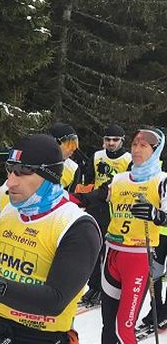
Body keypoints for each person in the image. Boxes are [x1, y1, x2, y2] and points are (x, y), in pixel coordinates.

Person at [0, 134, 102, 343]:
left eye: (24, 172)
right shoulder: (11, 212)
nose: (10, 182)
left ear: (49, 176)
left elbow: (54, 300)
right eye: (10, 170)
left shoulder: (76, 225)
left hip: (41, 337)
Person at [76, 127, 167, 343]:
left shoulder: (162, 180)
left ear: (156, 150)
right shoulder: (120, 179)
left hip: (138, 259)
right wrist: (67, 199)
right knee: (108, 328)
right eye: (134, 144)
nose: (136, 149)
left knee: (123, 329)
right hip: (112, 256)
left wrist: (157, 215)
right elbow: (94, 197)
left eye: (143, 145)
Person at [80, 124, 132, 306]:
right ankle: (94, 286)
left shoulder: (128, 159)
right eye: (108, 139)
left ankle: (107, 288)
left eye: (115, 140)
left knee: (110, 250)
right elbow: (90, 180)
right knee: (93, 247)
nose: (111, 143)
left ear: (122, 140)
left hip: (116, 209)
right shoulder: (97, 156)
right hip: (96, 206)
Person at [50, 122, 81, 192]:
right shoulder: (38, 158)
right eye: (69, 144)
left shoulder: (73, 169)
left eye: (75, 144)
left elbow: (69, 197)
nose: (73, 149)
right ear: (56, 142)